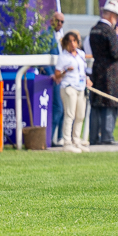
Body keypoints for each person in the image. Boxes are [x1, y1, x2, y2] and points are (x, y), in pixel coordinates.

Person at [89, 0, 118, 145]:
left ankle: (94, 137)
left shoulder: (94, 30)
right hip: (110, 73)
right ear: (112, 15)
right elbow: (115, 53)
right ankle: (107, 137)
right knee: (110, 103)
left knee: (96, 103)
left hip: (97, 70)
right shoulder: (109, 31)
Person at [53, 31, 88, 152]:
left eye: (74, 41)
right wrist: (65, 71)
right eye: (70, 41)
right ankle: (67, 142)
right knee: (70, 114)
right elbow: (57, 75)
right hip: (68, 86)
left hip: (81, 87)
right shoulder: (63, 57)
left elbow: (83, 71)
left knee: (80, 115)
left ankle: (76, 140)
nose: (72, 44)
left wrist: (87, 79)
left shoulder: (81, 54)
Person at [47, 12, 65, 145]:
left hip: (64, 77)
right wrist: (51, 74)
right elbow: (43, 56)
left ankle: (60, 138)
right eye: (57, 21)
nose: (59, 23)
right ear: (52, 20)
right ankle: (50, 138)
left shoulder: (63, 37)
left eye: (62, 21)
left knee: (64, 108)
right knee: (58, 107)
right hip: (54, 78)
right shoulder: (46, 35)